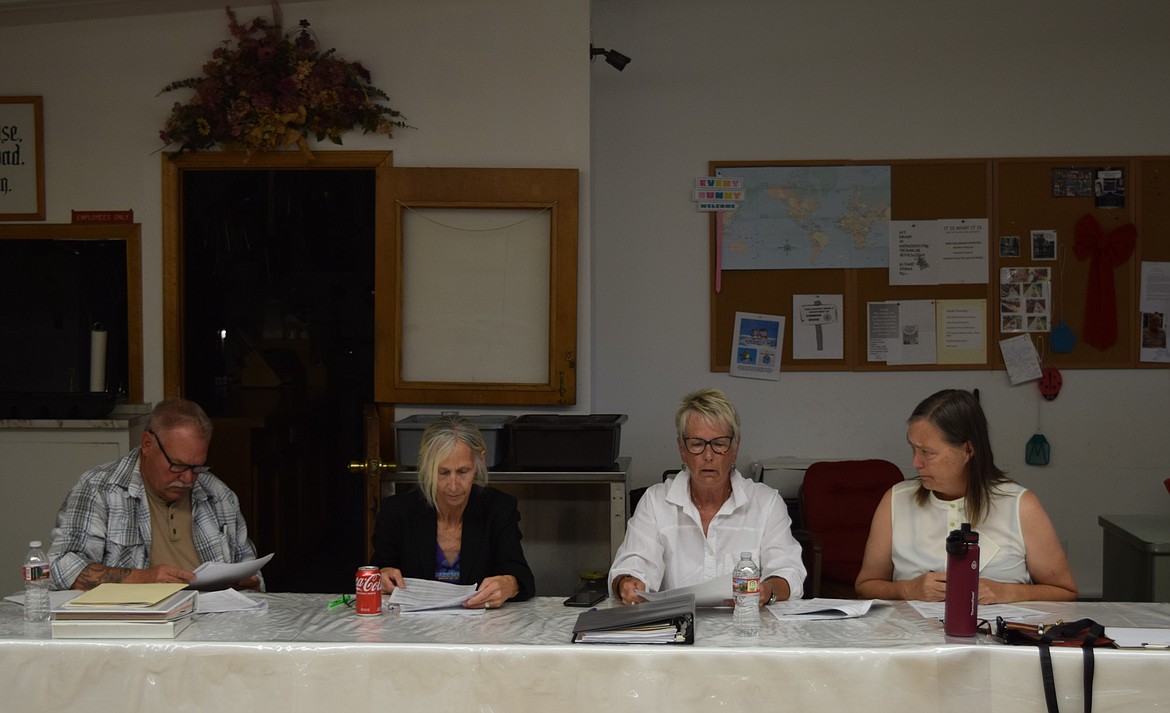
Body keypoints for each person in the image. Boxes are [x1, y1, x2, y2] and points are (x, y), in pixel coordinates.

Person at [855, 389, 1077, 603]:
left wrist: (1007, 592)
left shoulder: (1019, 505)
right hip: (912, 638)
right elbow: (866, 586)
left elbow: (1065, 591)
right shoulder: (896, 500)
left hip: (994, 637)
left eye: (927, 453)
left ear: (968, 450)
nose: (915, 462)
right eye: (913, 449)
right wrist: (907, 589)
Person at [608, 388, 806, 606]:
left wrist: (767, 590)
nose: (708, 456)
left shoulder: (766, 503)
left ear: (735, 448)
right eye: (697, 444)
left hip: (746, 628)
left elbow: (789, 572)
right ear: (682, 449)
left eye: (719, 444)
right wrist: (627, 583)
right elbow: (630, 566)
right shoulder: (655, 502)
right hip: (676, 629)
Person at [49, 398, 260, 590]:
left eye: (197, 468)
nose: (188, 479)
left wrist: (248, 583)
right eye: (177, 465)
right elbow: (60, 568)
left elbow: (252, 571)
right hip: (134, 626)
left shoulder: (218, 494)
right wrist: (141, 579)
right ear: (147, 444)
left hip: (213, 623)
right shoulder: (99, 488)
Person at [372, 415, 535, 608]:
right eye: (443, 473)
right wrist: (381, 577)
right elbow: (376, 571)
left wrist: (510, 584)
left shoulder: (499, 508)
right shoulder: (398, 511)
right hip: (413, 627)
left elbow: (521, 576)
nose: (453, 485)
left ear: (480, 461)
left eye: (463, 471)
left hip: (481, 627)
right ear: (426, 466)